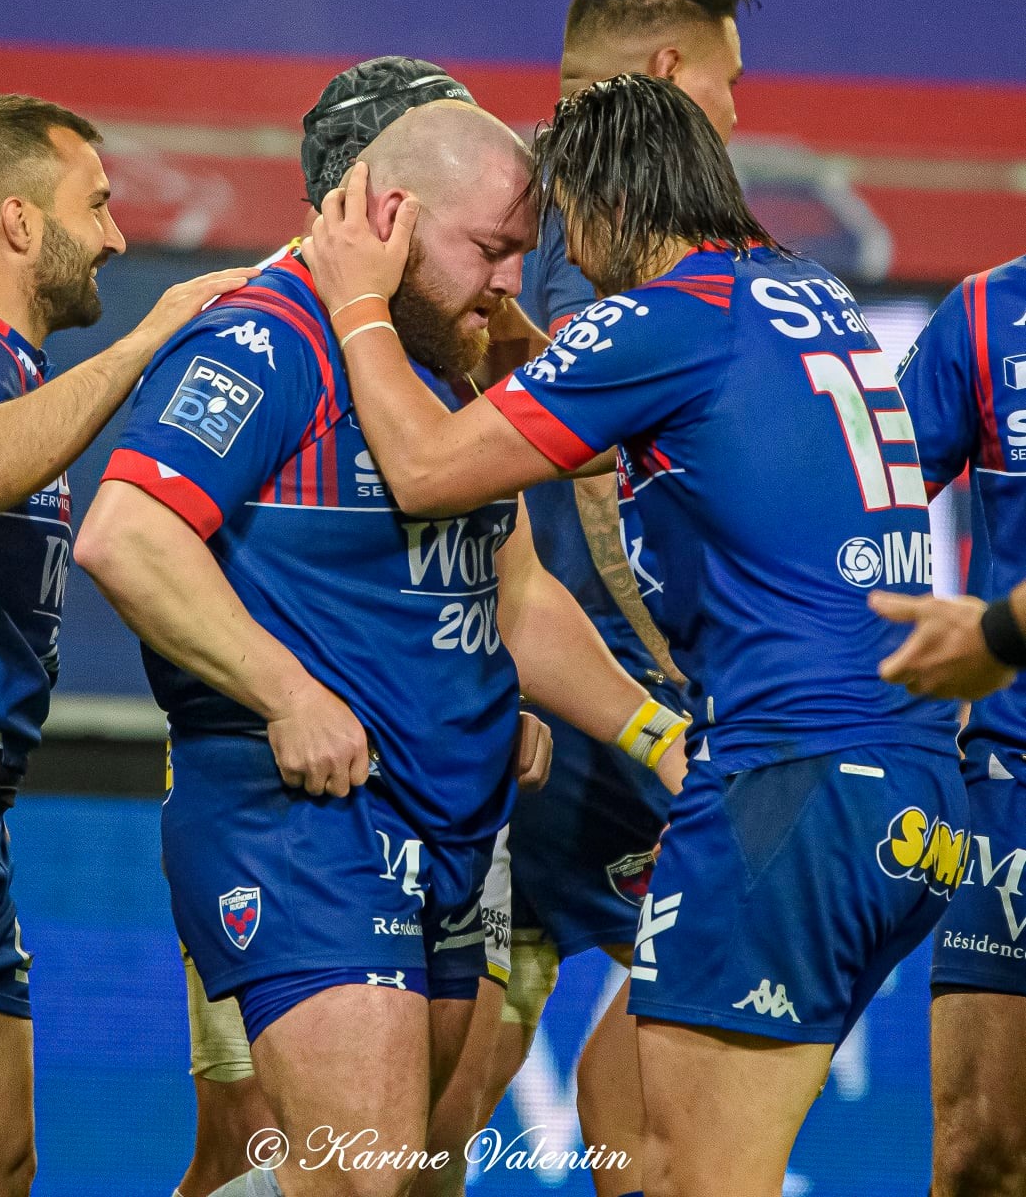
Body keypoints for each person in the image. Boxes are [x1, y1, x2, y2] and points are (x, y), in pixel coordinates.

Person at [302, 73, 969, 1197]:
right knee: (619, 1103)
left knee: (699, 1173)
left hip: (784, 782)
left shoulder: (661, 320)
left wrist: (360, 302)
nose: (562, 253)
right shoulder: (797, 291)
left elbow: (423, 470)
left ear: (609, 204)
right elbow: (666, 403)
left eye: (564, 220)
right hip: (905, 791)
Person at [75, 96, 687, 1197]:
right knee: (359, 1175)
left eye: (522, 251)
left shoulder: (446, 355)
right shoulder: (269, 338)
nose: (510, 280)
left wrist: (644, 732)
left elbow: (512, 599)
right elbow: (126, 535)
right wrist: (286, 693)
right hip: (307, 822)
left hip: (451, 827)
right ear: (392, 216)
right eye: (490, 249)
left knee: (393, 1176)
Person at [0, 92, 251, 1194]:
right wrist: (147, 339)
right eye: (96, 204)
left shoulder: (9, 371)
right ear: (18, 220)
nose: (116, 236)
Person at [472, 0, 753, 1197]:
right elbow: (595, 491)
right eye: (729, 83)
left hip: (526, 711)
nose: (737, 113)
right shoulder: (600, 226)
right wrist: (676, 687)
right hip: (597, 727)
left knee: (456, 1096)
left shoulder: (494, 199)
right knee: (650, 1097)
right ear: (670, 70)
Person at [872, 261, 1026, 1196]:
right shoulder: (981, 314)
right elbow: (858, 500)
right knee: (976, 1154)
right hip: (1012, 775)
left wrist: (998, 633)